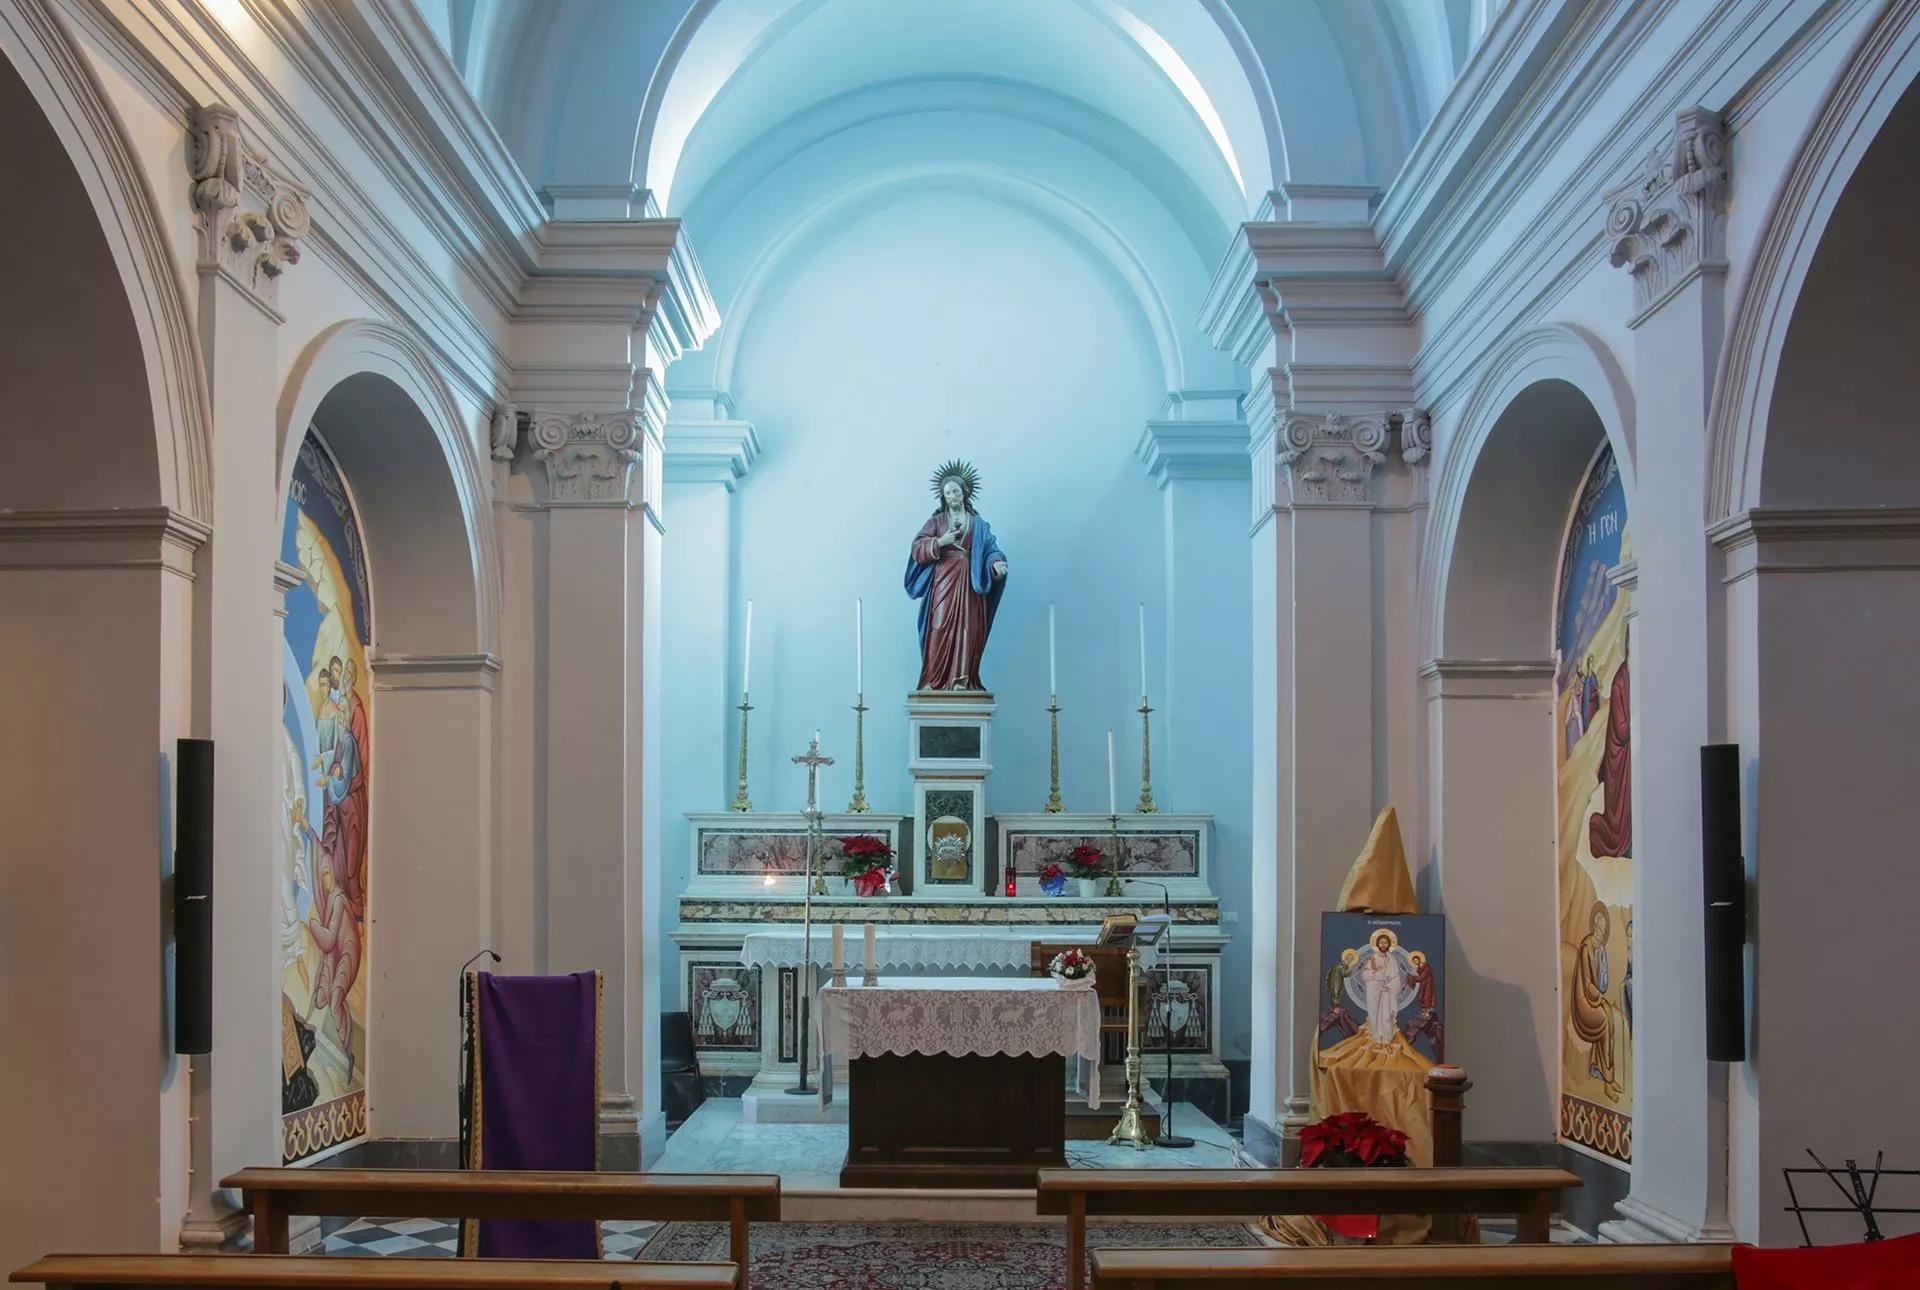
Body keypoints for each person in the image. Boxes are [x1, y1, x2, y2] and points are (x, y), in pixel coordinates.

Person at [904, 460, 1008, 691]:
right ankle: (934, 680)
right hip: (943, 579)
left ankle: (961, 680)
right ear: (943, 497)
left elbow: (992, 549)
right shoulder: (936, 522)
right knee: (938, 627)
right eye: (947, 492)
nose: (952, 495)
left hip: (969, 581)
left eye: (955, 490)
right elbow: (917, 548)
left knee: (967, 630)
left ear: (964, 492)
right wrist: (941, 541)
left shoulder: (979, 525)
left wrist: (997, 564)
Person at [1571, 901, 1621, 1102]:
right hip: (1583, 1002)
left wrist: (1602, 955)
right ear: (1593, 926)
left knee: (1612, 1020)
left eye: (1604, 929)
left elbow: (1603, 982)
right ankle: (1608, 1083)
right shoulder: (1585, 948)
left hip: (1595, 998)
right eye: (1598, 927)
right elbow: (1587, 983)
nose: (1601, 932)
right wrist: (1598, 997)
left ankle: (1607, 1076)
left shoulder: (1600, 950)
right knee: (1605, 1023)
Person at [1359, 930, 1406, 1049]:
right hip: (1374, 991)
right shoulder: (1373, 958)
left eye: (1385, 942)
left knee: (1386, 1016)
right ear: (1377, 944)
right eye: (1381, 942)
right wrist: (1375, 973)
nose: (1383, 945)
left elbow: (1396, 978)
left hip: (1387, 992)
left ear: (1389, 944)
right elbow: (1364, 975)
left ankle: (1387, 1042)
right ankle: (1377, 1040)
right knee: (1375, 1016)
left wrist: (1389, 987)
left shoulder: (1392, 959)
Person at [1402, 949, 1443, 1058]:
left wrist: (1411, 977)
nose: (1415, 961)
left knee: (1425, 1002)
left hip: (1428, 988)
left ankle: (1427, 1010)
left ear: (1419, 959)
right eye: (1414, 960)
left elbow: (1421, 978)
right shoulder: (1420, 968)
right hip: (1424, 987)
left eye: (1416, 959)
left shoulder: (1427, 968)